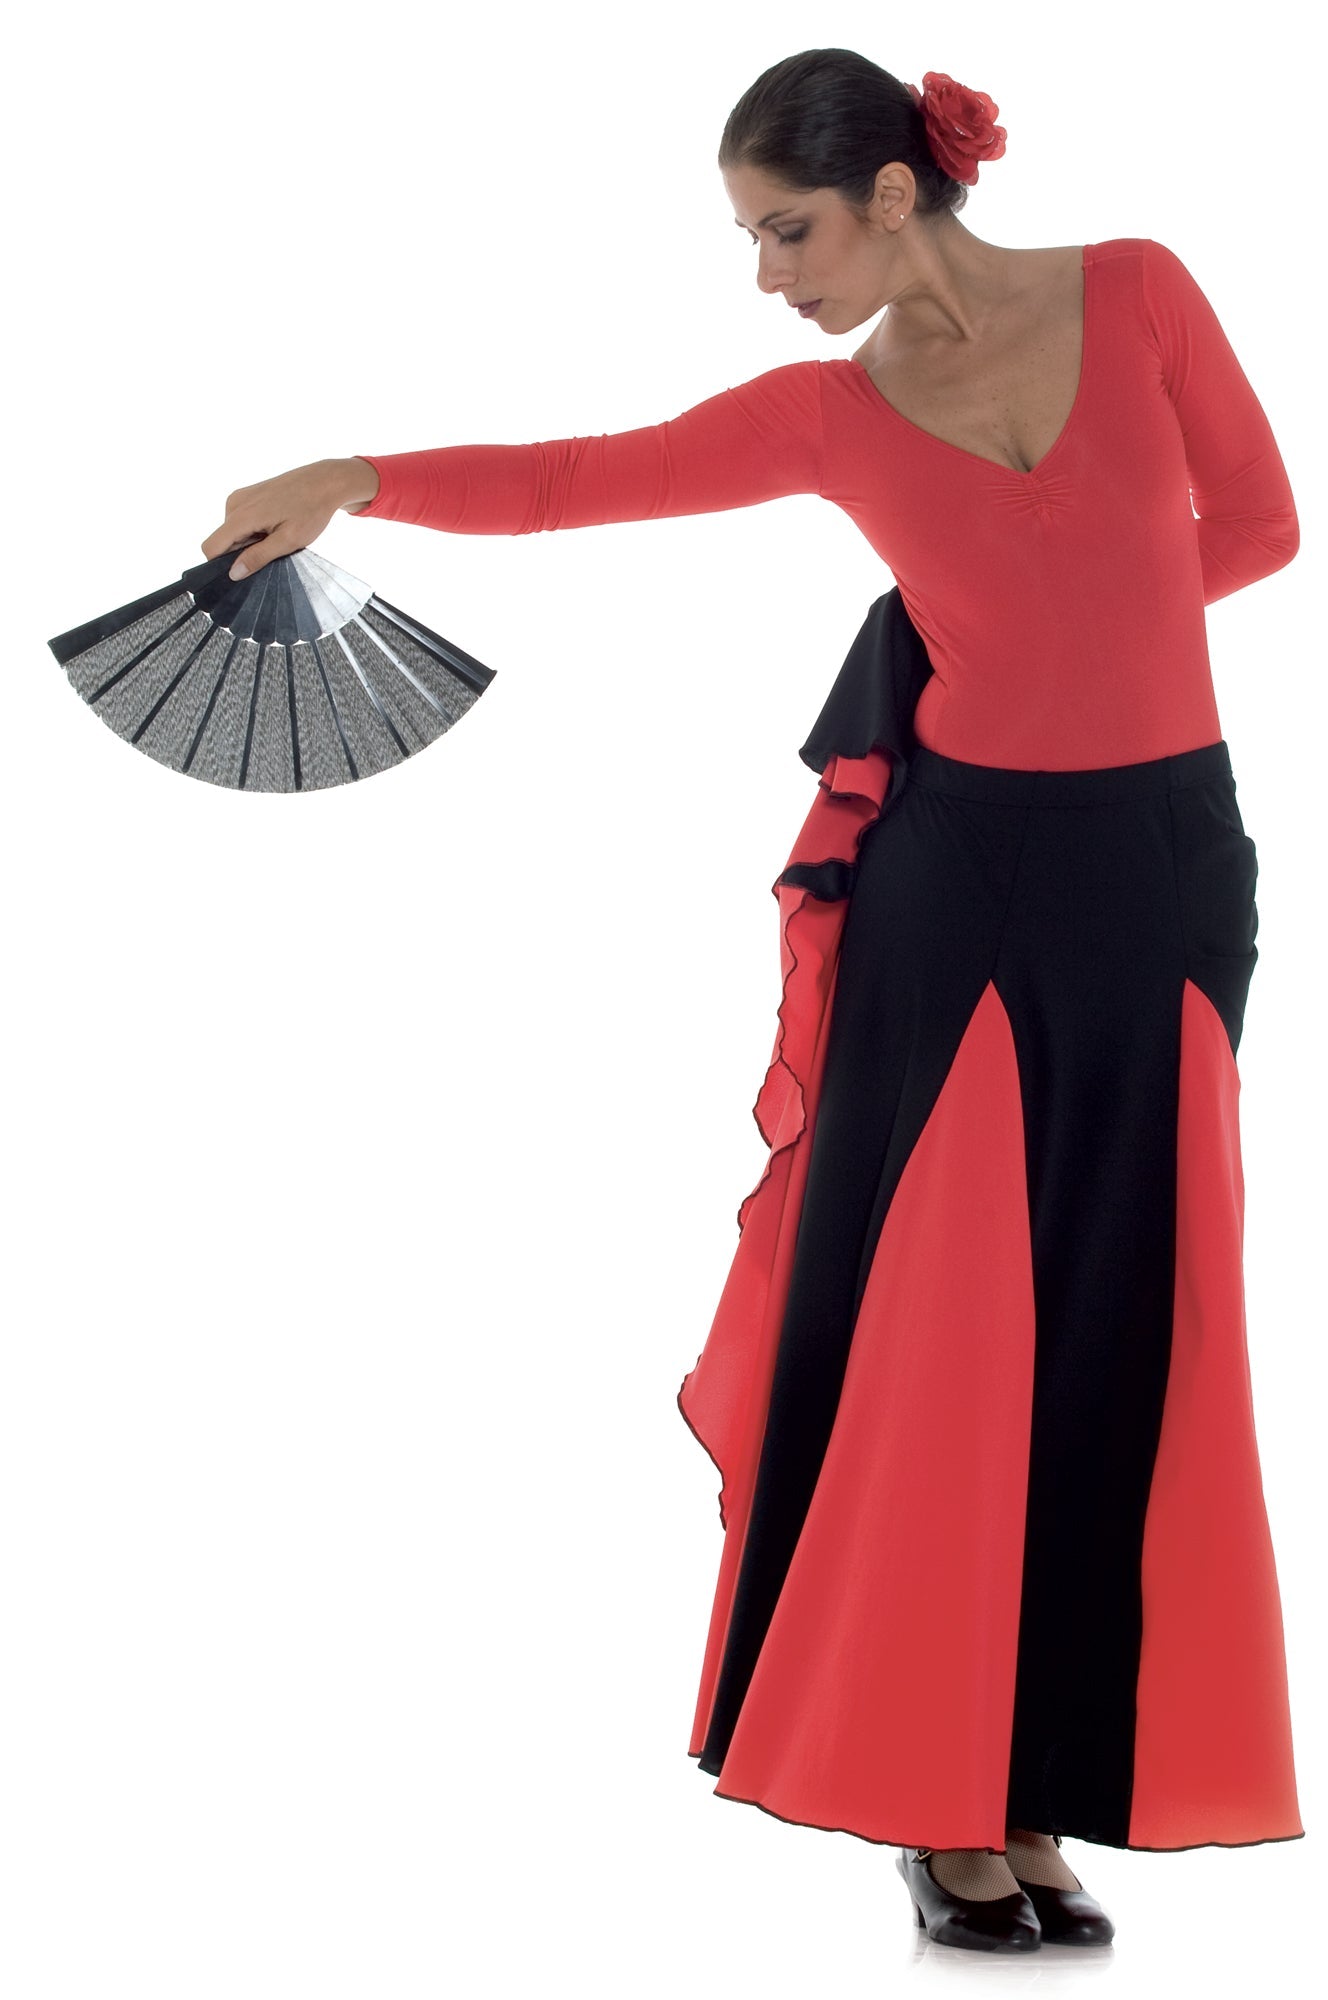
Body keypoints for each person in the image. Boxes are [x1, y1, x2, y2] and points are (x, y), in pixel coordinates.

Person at [201, 48, 1305, 1954]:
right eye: (751, 242)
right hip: (958, 888)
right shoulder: (830, 415)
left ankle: (1047, 1789)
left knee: (1126, 1317)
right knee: (942, 1332)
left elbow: (1264, 525)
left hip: (1165, 874)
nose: (769, 277)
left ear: (892, 191)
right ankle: (940, 1797)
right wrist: (356, 478)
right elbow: (582, 479)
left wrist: (1075, 625)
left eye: (786, 233)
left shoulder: (1139, 291)